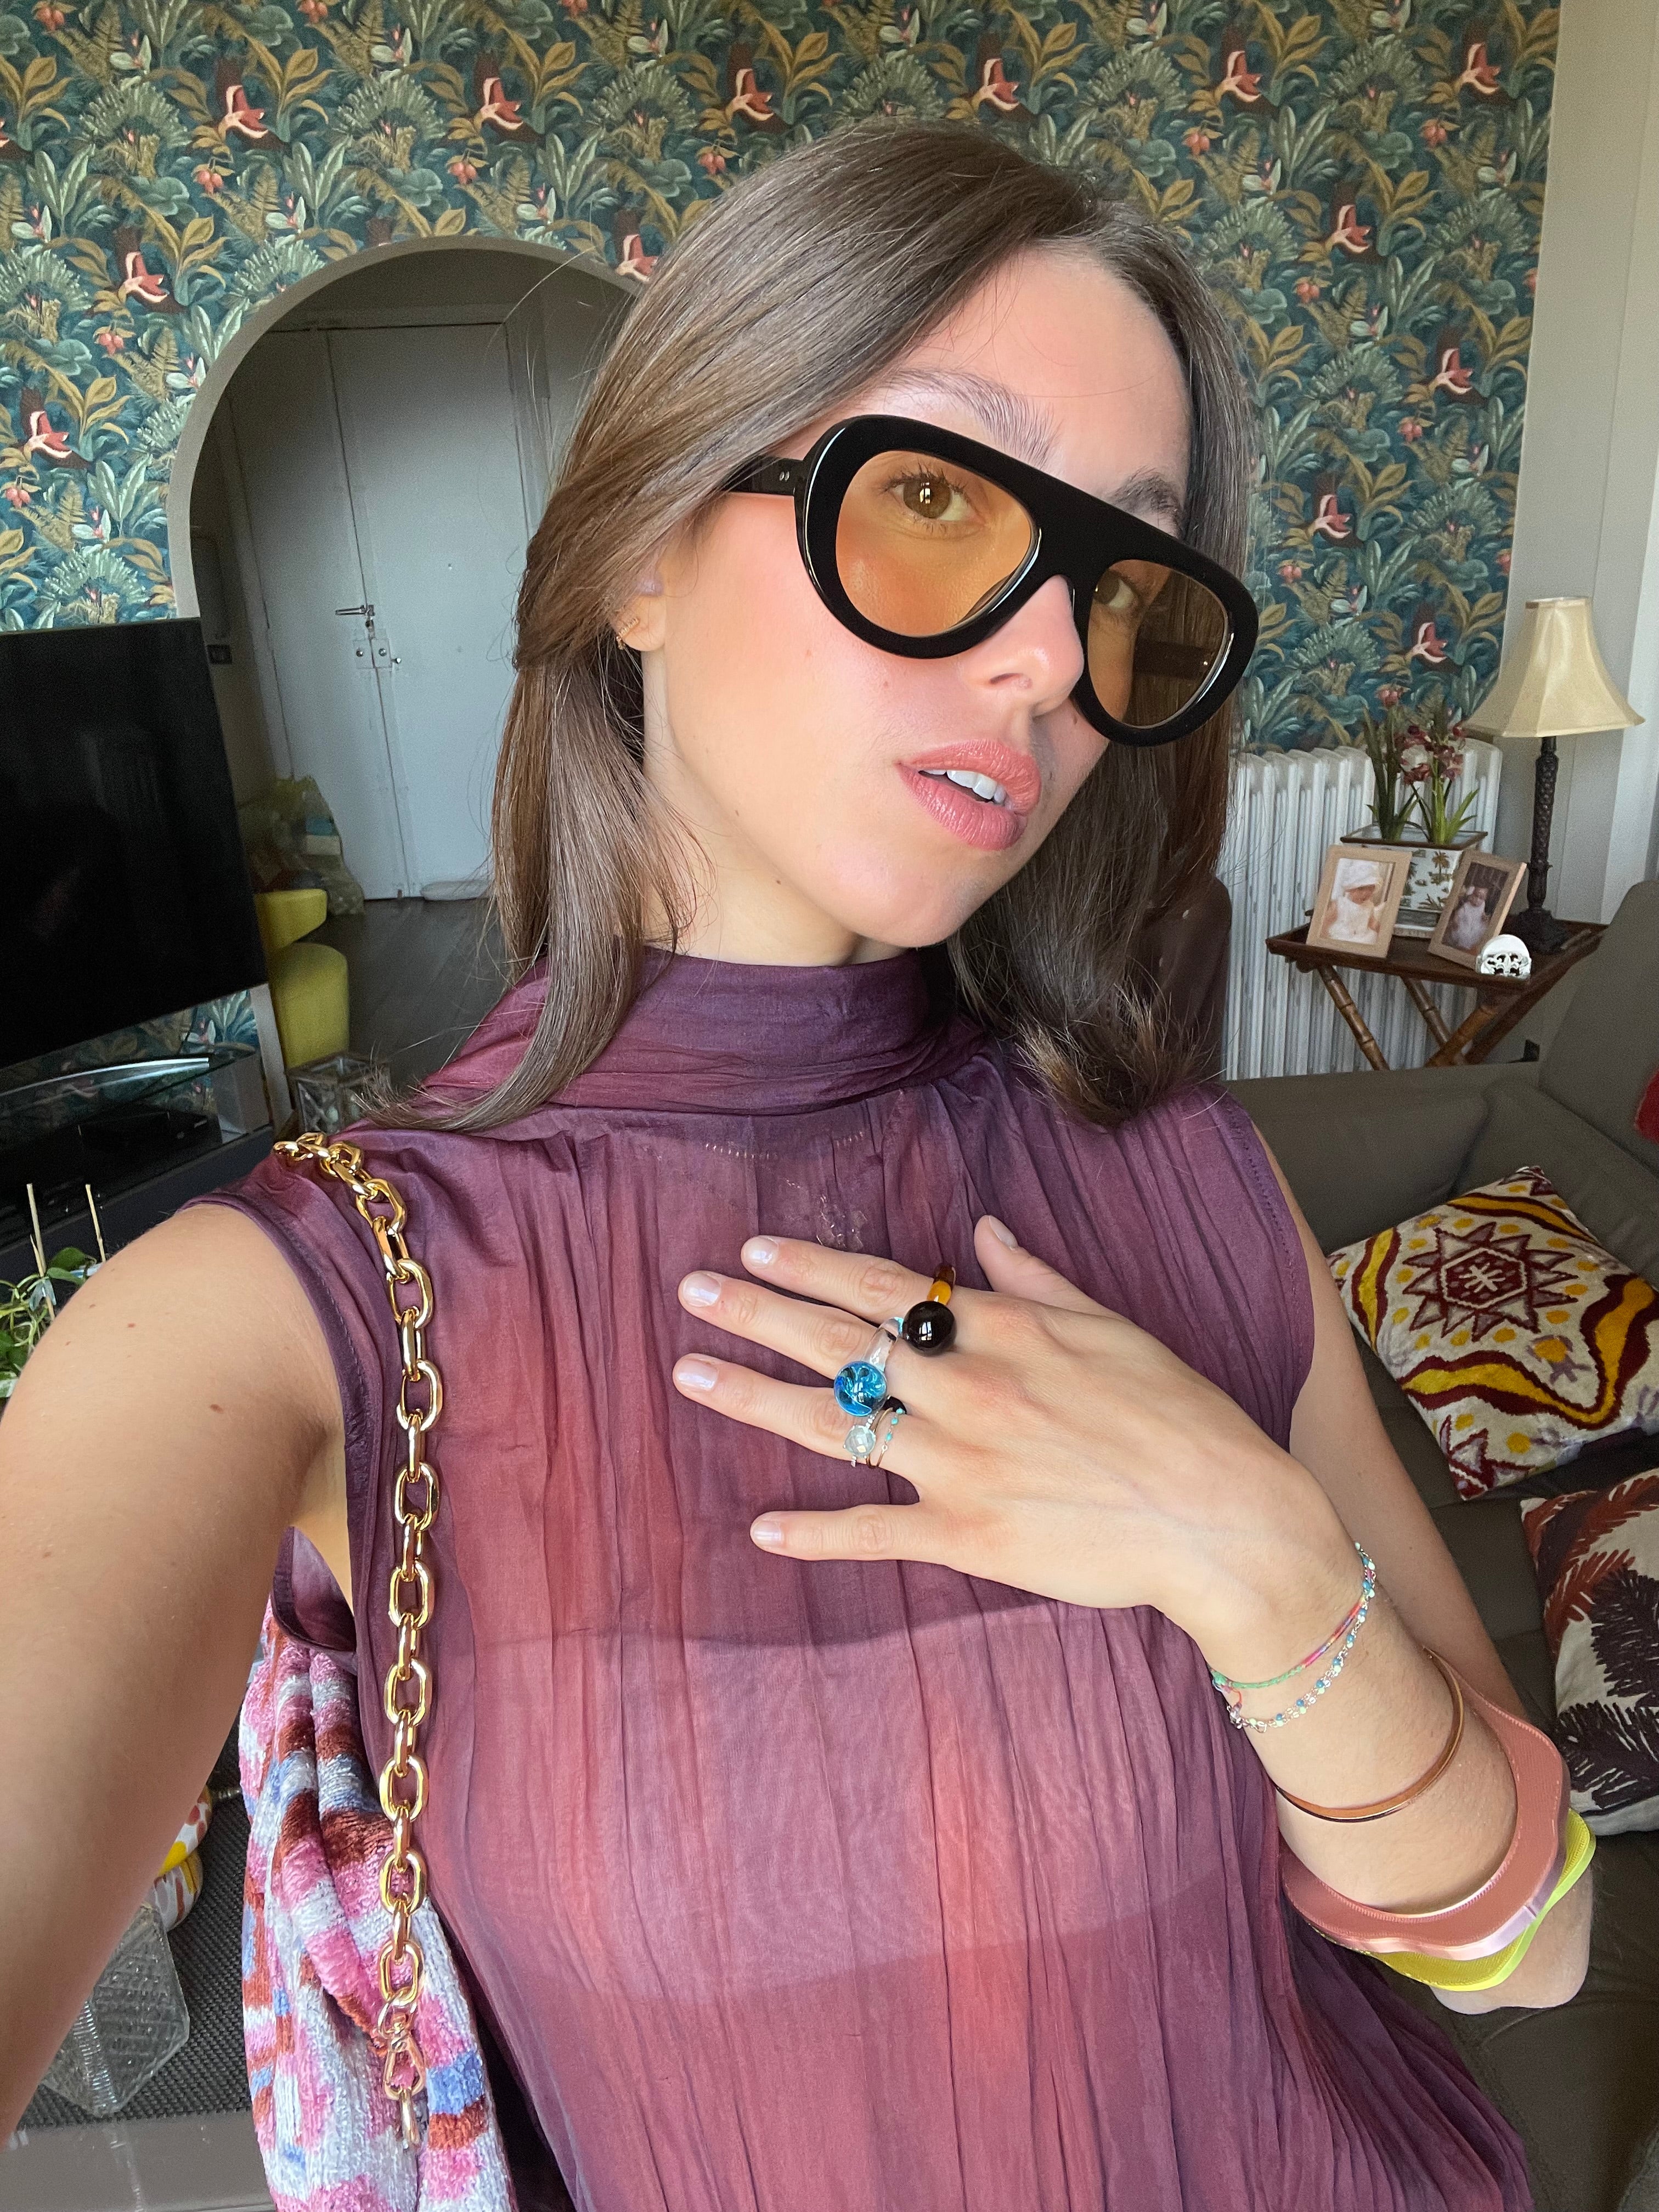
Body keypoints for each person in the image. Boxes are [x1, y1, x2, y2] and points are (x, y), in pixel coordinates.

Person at [0, 125, 1590, 2208]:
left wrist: (1256, 1554)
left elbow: (1532, 1950)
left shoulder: (1186, 1176)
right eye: (933, 496)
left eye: (1121, 586)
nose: (1050, 660)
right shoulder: (289, 1312)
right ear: (640, 548)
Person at [1325, 860, 1389, 946]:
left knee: (1373, 937)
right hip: (1342, 937)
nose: (1365, 894)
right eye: (1361, 889)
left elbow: (1372, 923)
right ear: (1350, 888)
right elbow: (1326, 922)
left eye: (1370, 889)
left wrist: (1382, 931)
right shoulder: (1340, 904)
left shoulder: (1369, 906)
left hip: (1361, 937)